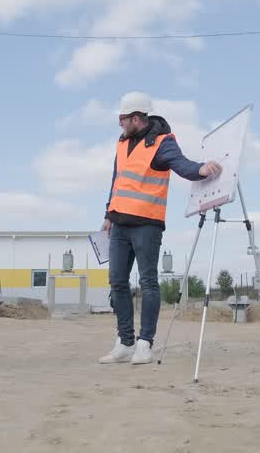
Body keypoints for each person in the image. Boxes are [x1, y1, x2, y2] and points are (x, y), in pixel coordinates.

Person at [98, 92, 221, 366]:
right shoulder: (122, 143)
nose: (119, 123)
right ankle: (125, 342)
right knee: (117, 282)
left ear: (137, 118)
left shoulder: (163, 143)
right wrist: (108, 213)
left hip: (146, 224)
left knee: (148, 282)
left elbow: (182, 165)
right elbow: (117, 180)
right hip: (118, 224)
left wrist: (202, 168)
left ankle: (145, 343)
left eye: (123, 118)